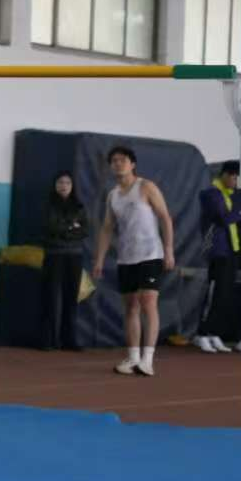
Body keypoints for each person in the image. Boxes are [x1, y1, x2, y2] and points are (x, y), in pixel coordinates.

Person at [89, 145, 175, 376]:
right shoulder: (113, 195)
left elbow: (165, 217)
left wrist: (168, 250)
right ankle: (133, 357)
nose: (118, 164)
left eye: (123, 160)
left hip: (151, 254)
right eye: (114, 161)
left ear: (132, 164)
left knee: (148, 302)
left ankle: (148, 359)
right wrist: (99, 260)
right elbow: (107, 228)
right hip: (127, 258)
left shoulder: (146, 187)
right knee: (130, 307)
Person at [195, 159, 241, 354]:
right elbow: (226, 218)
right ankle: (201, 334)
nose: (237, 183)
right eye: (235, 178)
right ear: (226, 175)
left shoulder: (232, 195)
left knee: (224, 295)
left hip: (231, 250)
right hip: (216, 251)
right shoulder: (210, 194)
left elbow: (237, 219)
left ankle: (214, 333)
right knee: (214, 293)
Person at [40, 171, 87, 351]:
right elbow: (51, 227)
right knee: (51, 297)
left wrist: (67, 229)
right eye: (60, 182)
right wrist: (71, 227)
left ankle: (69, 340)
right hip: (54, 255)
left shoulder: (79, 206)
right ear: (55, 185)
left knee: (71, 298)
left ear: (72, 186)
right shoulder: (48, 205)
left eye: (67, 182)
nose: (64, 186)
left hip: (75, 256)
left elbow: (84, 230)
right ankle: (48, 340)